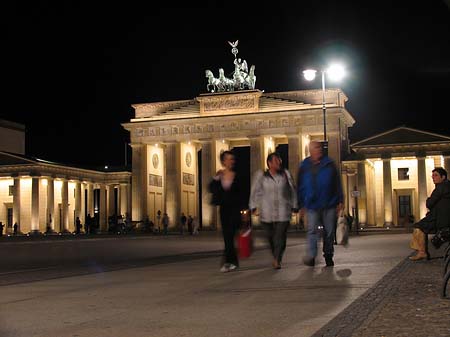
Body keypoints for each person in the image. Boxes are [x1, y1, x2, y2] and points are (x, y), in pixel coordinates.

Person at [297, 140, 343, 267]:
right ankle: (312, 256)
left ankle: (328, 254)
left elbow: (337, 183)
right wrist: (301, 204)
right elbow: (300, 186)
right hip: (311, 204)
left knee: (329, 232)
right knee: (311, 231)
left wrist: (340, 200)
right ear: (310, 150)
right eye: (316, 147)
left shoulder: (330, 163)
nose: (319, 149)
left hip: (329, 203)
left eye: (320, 147)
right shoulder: (304, 165)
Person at [249, 152, 298, 269]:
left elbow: (293, 190)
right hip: (266, 211)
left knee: (280, 236)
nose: (279, 163)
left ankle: (277, 259)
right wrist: (253, 206)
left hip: (283, 211)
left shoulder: (286, 174)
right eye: (276, 161)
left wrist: (295, 205)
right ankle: (276, 254)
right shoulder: (261, 175)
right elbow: (254, 191)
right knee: (270, 236)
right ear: (269, 163)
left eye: (279, 160)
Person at [208, 150, 242, 273]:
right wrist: (216, 177)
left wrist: (246, 211)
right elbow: (211, 188)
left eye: (232, 159)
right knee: (227, 237)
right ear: (223, 161)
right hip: (224, 210)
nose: (231, 161)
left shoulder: (237, 176)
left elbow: (242, 194)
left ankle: (228, 262)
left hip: (235, 210)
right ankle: (232, 262)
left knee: (230, 237)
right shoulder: (219, 176)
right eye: (228, 159)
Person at [409, 167, 450, 261]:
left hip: (440, 220)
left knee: (418, 227)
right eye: (432, 176)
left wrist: (428, 200)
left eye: (436, 175)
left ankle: (422, 252)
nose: (433, 178)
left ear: (443, 177)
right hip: (444, 219)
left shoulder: (441, 188)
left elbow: (429, 203)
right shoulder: (447, 186)